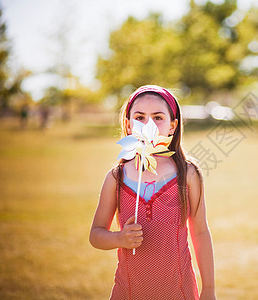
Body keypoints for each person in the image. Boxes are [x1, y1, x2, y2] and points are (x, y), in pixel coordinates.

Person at [89, 85, 216, 299]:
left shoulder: (188, 174)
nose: (149, 124)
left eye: (158, 117)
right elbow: (96, 235)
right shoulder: (116, 177)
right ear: (128, 125)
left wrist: (209, 290)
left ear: (172, 126)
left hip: (178, 290)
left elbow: (201, 232)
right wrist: (119, 239)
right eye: (140, 118)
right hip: (128, 291)